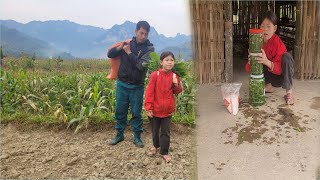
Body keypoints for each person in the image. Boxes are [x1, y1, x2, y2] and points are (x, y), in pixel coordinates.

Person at [107, 21, 155, 147]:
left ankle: (137, 137)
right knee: (120, 111)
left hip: (137, 86)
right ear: (136, 32)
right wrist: (120, 47)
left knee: (136, 112)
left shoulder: (150, 49)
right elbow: (110, 54)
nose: (143, 36)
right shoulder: (127, 43)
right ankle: (119, 134)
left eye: (146, 34)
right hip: (122, 84)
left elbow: (141, 66)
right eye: (141, 33)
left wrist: (128, 52)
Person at [246, 11, 295, 105]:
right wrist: (251, 62)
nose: (265, 30)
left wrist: (267, 61)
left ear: (275, 28)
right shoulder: (257, 42)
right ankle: (269, 87)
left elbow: (280, 70)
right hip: (267, 76)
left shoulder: (278, 44)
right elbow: (248, 69)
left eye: (268, 26)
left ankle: (289, 93)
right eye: (262, 26)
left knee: (287, 57)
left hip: (280, 77)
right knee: (258, 61)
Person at [144, 51, 183, 163]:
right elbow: (149, 92)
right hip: (155, 110)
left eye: (171, 60)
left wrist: (176, 83)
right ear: (161, 62)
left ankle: (164, 152)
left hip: (167, 110)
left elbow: (177, 91)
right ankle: (155, 146)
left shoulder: (174, 76)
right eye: (167, 60)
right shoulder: (155, 75)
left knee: (165, 132)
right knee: (155, 130)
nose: (169, 62)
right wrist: (148, 108)